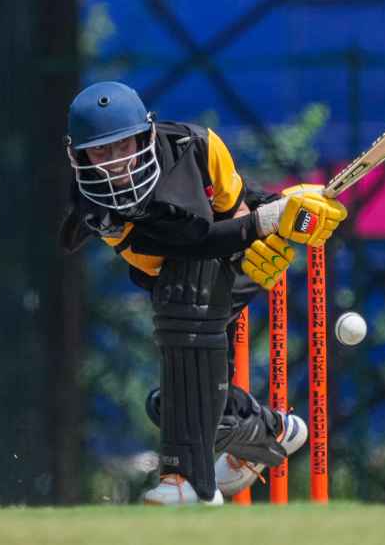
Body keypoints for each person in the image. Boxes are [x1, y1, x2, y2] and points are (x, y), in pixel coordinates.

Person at [60, 81, 347, 504]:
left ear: (146, 135)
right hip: (174, 285)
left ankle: (187, 482)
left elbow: (237, 207)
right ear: (78, 155)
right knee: (168, 400)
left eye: (123, 147)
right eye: (101, 152)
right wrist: (267, 221)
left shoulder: (198, 146)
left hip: (235, 267)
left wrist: (286, 212)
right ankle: (266, 433)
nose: (115, 163)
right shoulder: (95, 207)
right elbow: (183, 247)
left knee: (182, 364)